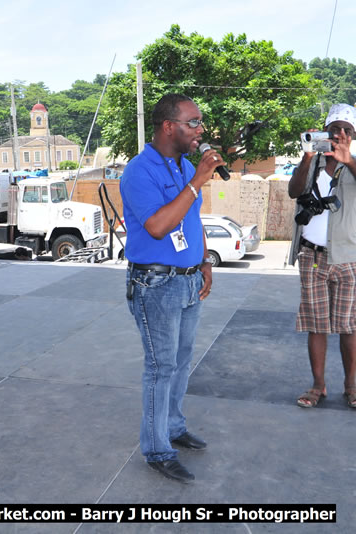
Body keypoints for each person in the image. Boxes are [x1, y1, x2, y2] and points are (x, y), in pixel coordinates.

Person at [120, 94, 222, 484]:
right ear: (168, 127)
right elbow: (159, 226)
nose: (200, 130)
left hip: (188, 278)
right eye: (193, 123)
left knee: (181, 362)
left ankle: (174, 427)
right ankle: (157, 449)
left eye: (199, 123)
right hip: (156, 284)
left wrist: (205, 262)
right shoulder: (138, 171)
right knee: (160, 368)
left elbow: (191, 220)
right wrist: (197, 181)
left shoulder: (181, 165)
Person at [287, 103, 356, 410]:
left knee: (349, 326)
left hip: (347, 257)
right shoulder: (312, 162)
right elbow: (294, 191)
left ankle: (351, 386)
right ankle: (317, 385)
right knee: (317, 325)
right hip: (312, 256)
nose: (339, 134)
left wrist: (347, 160)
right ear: (324, 130)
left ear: (353, 136)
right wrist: (307, 157)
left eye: (346, 130)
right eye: (334, 129)